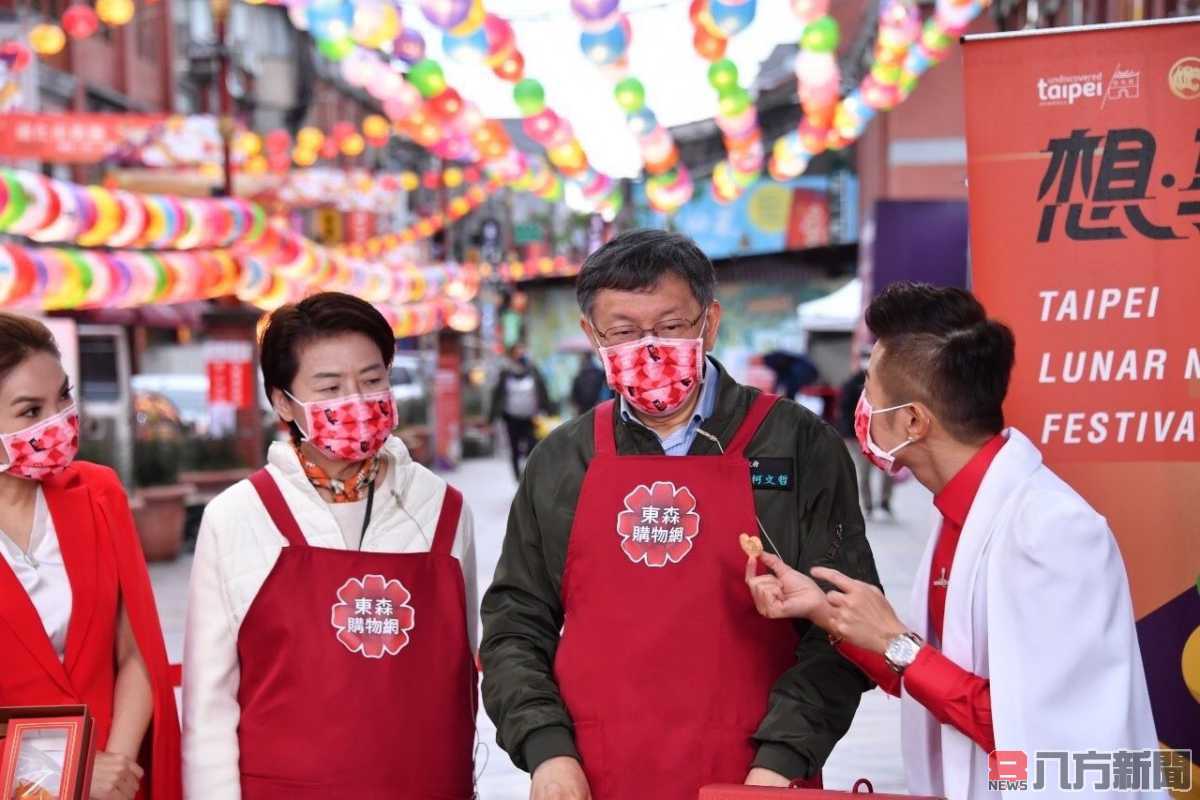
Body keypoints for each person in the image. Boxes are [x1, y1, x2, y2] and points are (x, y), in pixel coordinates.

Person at [481, 230, 881, 800]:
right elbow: (516, 624)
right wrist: (546, 751)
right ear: (592, 336)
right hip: (593, 777)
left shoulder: (795, 443)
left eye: (670, 327)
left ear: (710, 322)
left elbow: (845, 623)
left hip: (756, 778)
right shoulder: (563, 459)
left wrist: (780, 761)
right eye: (623, 332)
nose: (648, 347)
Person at [746, 282, 1160, 799]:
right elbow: (930, 680)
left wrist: (896, 643)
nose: (862, 404)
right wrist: (830, 616)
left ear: (914, 420)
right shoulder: (960, 516)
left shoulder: (1054, 530)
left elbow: (1049, 737)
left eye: (870, 389)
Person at [183, 292, 479, 799]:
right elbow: (209, 704)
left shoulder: (442, 508)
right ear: (282, 401)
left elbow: (459, 666)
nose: (357, 401)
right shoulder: (237, 517)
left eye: (372, 380)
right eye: (330, 387)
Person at [0, 312, 181, 800]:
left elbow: (137, 649)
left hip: (116, 781)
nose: (57, 420)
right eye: (29, 411)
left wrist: (115, 767)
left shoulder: (98, 492)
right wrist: (70, 774)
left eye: (63, 397)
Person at [839, 350, 894, 518]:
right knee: (864, 472)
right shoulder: (851, 384)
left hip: (882, 437)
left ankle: (884, 503)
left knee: (888, 471)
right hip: (858, 438)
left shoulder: (885, 384)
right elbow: (844, 412)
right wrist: (849, 434)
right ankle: (868, 505)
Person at [488, 343, 551, 479]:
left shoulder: (533, 370)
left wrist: (548, 408)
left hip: (531, 417)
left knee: (532, 445)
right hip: (511, 417)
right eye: (518, 351)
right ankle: (518, 475)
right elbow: (497, 395)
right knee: (514, 447)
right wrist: (491, 417)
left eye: (523, 351)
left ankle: (529, 472)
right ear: (512, 354)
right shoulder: (505, 372)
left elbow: (542, 389)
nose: (521, 354)